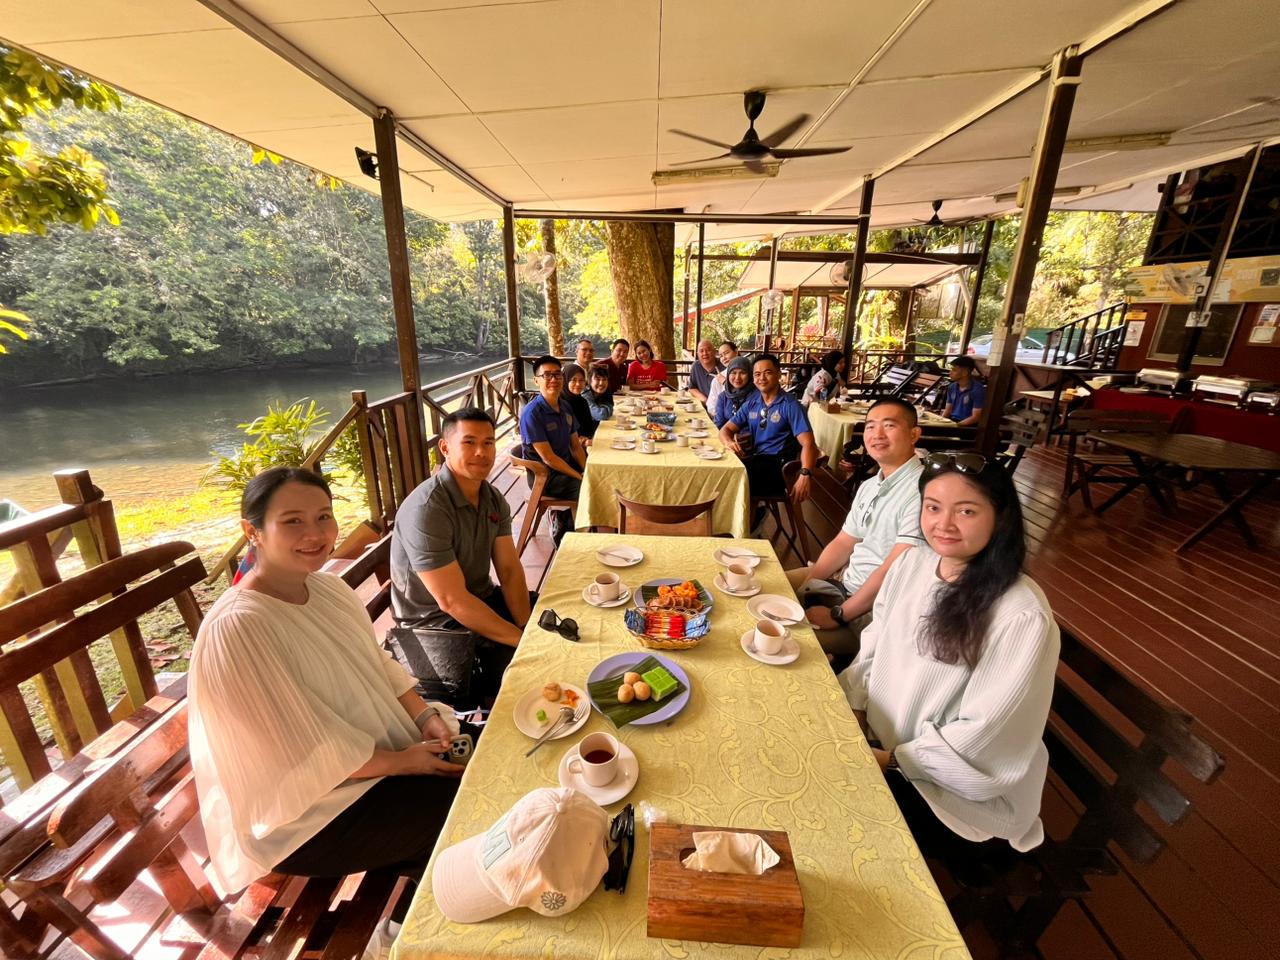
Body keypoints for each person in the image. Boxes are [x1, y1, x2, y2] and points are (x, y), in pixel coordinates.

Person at [188, 467, 463, 912]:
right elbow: (301, 750)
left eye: (323, 516)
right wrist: (403, 762)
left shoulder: (329, 589)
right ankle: (410, 928)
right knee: (457, 813)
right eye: (292, 521)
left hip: (370, 765)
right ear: (252, 532)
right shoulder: (240, 627)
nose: (314, 534)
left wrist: (423, 715)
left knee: (483, 762)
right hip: (309, 814)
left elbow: (376, 663)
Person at [840, 454, 1059, 855]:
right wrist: (854, 707)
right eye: (933, 507)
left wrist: (891, 760)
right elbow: (874, 643)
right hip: (882, 745)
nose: (944, 524)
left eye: (966, 511)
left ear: (1001, 518)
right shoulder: (913, 563)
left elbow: (986, 735)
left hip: (950, 796)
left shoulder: (1020, 613)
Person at [390, 409, 534, 704]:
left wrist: (525, 625)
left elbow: (508, 570)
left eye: (488, 443)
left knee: (556, 619)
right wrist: (524, 641)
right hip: (435, 624)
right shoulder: (428, 509)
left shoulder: (492, 498)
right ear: (445, 448)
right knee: (525, 672)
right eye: (469, 442)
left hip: (479, 599)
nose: (481, 452)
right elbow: (451, 601)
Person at [787, 398, 924, 657]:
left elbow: (892, 571)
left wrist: (838, 614)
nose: (877, 434)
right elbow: (843, 542)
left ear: (914, 434)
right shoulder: (871, 485)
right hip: (843, 583)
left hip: (871, 614)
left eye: (889, 425)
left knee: (779, 639)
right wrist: (806, 585)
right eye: (870, 426)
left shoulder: (924, 493)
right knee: (767, 586)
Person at [720, 353, 818, 509]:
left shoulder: (790, 405)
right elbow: (725, 429)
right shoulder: (752, 403)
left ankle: (750, 517)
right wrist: (729, 442)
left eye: (768, 373)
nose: (762, 378)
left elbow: (809, 444)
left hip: (779, 469)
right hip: (757, 460)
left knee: (730, 476)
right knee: (722, 470)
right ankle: (747, 516)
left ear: (779, 375)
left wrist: (805, 474)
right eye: (757, 374)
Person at [518, 354, 586, 544]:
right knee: (587, 488)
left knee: (599, 476)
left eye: (557, 374)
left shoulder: (564, 406)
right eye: (547, 375)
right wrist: (579, 476)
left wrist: (587, 470)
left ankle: (567, 519)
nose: (553, 379)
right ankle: (567, 530)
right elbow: (548, 458)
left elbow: (575, 446)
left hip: (565, 466)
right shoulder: (532, 413)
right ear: (536, 380)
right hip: (546, 476)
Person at [712, 355, 757, 428]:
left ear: (750, 374)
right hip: (725, 434)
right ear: (728, 374)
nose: (737, 377)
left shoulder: (757, 397)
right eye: (733, 372)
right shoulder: (723, 397)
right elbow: (718, 424)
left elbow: (756, 425)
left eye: (742, 373)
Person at [942, 356, 985, 426]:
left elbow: (976, 417)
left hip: (967, 426)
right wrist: (940, 423)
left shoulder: (978, 390)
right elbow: (948, 410)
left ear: (965, 372)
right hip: (952, 422)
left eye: (954, 370)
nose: (950, 372)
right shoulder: (952, 387)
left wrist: (955, 426)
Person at [563, 365, 598, 443]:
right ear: (565, 381)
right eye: (574, 380)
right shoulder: (559, 403)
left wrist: (585, 438)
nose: (578, 384)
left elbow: (589, 428)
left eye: (581, 380)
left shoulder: (583, 402)